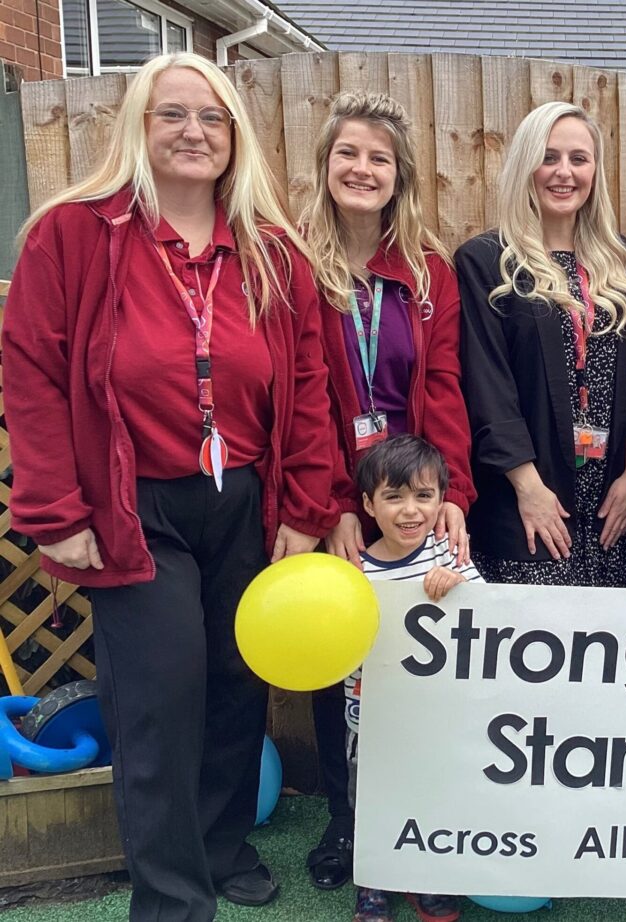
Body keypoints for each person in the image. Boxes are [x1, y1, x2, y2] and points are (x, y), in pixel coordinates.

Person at [2, 52, 339, 920]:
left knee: (236, 683)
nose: (195, 132)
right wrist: (52, 511)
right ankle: (170, 895)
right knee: (160, 699)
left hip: (244, 499)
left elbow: (305, 386)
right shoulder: (72, 234)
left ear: (235, 138)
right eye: (173, 115)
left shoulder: (272, 248)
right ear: (139, 130)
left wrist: (303, 503)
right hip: (131, 504)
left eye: (213, 118)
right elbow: (32, 377)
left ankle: (223, 846)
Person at [301, 90, 476, 892]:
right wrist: (329, 501)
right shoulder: (294, 260)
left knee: (419, 656)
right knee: (339, 656)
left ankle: (421, 809)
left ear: (399, 174)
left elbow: (443, 386)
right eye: (349, 154)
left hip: (408, 496)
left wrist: (449, 494)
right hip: (337, 501)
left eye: (378, 158)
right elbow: (299, 391)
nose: (362, 169)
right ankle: (348, 819)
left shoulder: (427, 272)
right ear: (326, 164)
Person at [456, 101, 626, 587]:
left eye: (578, 159)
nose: (564, 172)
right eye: (548, 157)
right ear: (526, 165)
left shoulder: (616, 259)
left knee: (605, 653)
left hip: (607, 505)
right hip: (527, 503)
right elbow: (488, 388)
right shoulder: (488, 261)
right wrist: (528, 488)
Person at [344, 435, 482, 922]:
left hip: (439, 720)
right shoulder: (355, 572)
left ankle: (427, 878)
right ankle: (374, 883)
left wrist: (459, 587)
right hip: (373, 721)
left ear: (442, 500)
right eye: (393, 497)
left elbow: (488, 620)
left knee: (435, 791)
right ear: (368, 504)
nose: (410, 511)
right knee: (372, 799)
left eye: (424, 497)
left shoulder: (449, 555)